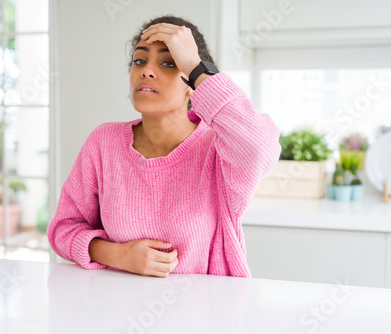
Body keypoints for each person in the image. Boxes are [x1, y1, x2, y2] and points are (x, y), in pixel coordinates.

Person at [47, 15, 281, 278]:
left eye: (169, 63)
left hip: (208, 313)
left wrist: (194, 64)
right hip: (114, 310)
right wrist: (119, 255)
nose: (147, 70)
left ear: (193, 85)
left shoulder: (218, 148)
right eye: (139, 61)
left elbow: (261, 147)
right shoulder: (103, 142)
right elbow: (63, 229)